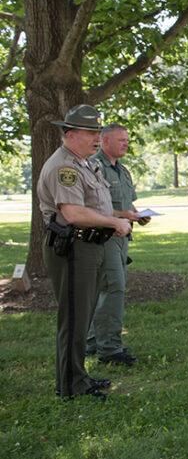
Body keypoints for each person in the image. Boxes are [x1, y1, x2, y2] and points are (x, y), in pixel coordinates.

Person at [37, 104, 132, 400]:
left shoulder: (85, 164)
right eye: (90, 133)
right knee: (74, 319)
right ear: (70, 134)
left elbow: (96, 206)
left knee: (83, 316)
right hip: (73, 248)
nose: (96, 138)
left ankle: (79, 377)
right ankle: (71, 386)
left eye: (97, 133)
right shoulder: (64, 167)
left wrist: (118, 218)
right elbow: (75, 213)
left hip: (90, 246)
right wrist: (115, 222)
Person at [86, 125, 151, 367]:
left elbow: (127, 203)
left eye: (127, 140)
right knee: (113, 288)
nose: (126, 144)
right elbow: (91, 207)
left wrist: (137, 215)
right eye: (121, 140)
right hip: (104, 236)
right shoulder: (94, 167)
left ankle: (92, 342)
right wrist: (123, 215)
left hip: (123, 236)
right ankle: (110, 350)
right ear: (105, 140)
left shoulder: (122, 170)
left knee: (105, 289)